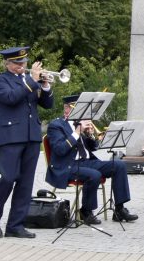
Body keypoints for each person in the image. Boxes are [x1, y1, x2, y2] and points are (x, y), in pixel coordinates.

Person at [0, 46, 54, 239]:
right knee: (8, 179)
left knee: (25, 183)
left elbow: (47, 105)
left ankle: (15, 225)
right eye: (17, 63)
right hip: (11, 137)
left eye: (23, 63)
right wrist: (32, 80)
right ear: (7, 63)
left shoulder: (29, 80)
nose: (21, 66)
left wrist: (46, 86)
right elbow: (10, 98)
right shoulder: (0, 80)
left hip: (32, 136)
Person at [45, 95, 138, 224]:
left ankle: (119, 209)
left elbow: (94, 148)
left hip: (86, 162)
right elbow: (60, 149)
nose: (82, 112)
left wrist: (90, 135)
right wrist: (76, 133)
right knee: (94, 175)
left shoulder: (80, 123)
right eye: (77, 108)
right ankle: (86, 211)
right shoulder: (56, 125)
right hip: (67, 165)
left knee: (119, 165)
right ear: (66, 109)